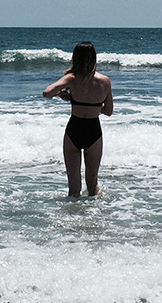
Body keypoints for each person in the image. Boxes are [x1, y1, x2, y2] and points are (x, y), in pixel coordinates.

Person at [43, 41, 113, 197]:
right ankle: (93, 216)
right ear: (94, 58)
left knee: (74, 188)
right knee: (92, 185)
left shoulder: (71, 78)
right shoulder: (104, 81)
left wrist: (65, 95)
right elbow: (108, 111)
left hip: (74, 129)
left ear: (75, 58)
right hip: (93, 131)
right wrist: (93, 106)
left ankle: (72, 218)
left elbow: (47, 92)